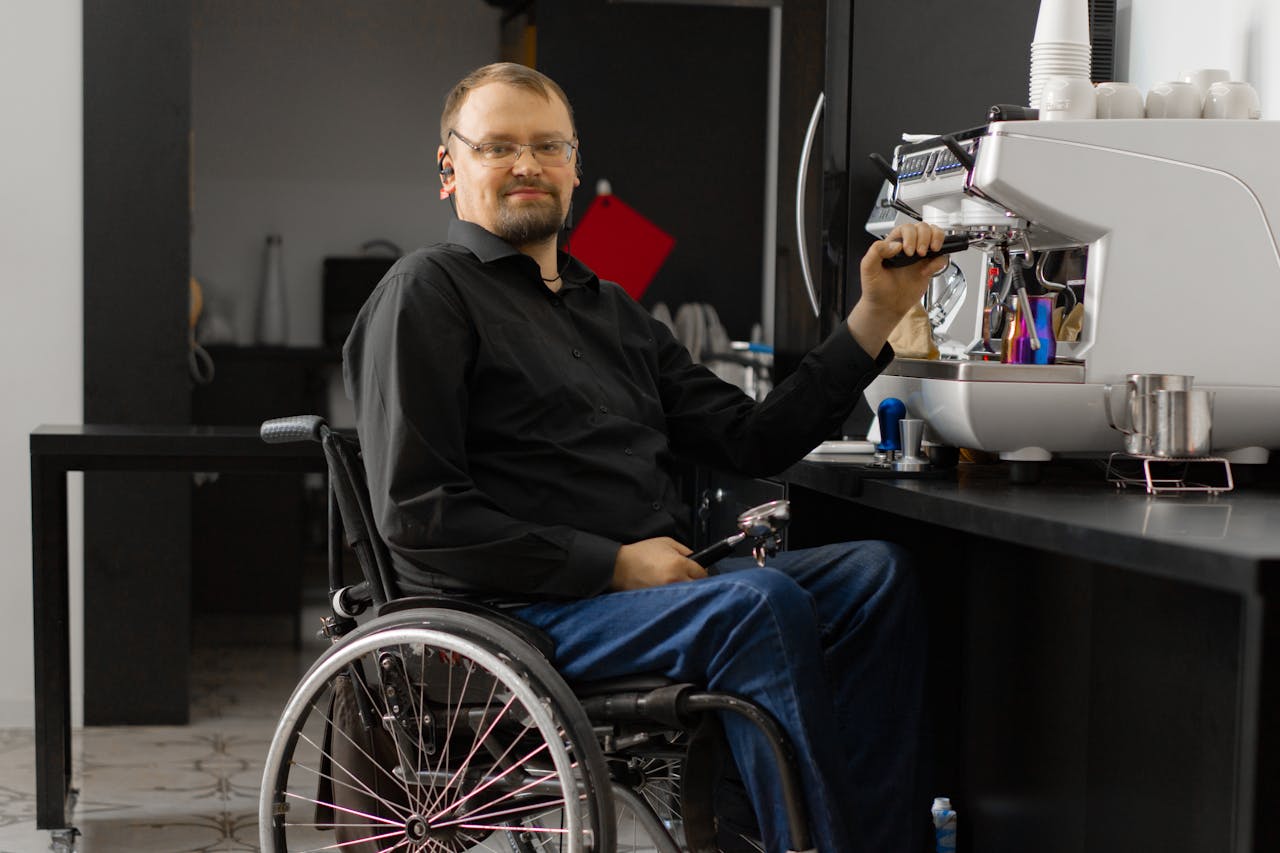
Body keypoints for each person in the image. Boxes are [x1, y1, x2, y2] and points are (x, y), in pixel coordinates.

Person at [344, 61, 948, 853]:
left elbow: (753, 439)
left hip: (639, 600)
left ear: (574, 167)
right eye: (498, 147)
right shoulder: (426, 290)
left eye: (547, 146)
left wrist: (876, 313)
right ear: (449, 169)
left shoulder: (612, 311)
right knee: (756, 605)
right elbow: (419, 516)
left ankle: (878, 842)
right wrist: (615, 563)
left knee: (875, 576)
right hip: (510, 614)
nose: (526, 164)